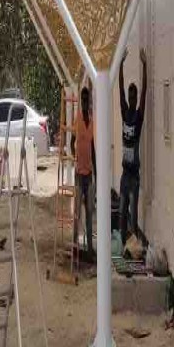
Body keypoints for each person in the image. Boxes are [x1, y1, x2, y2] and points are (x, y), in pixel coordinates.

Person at [118, 47, 147, 245]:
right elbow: (119, 90)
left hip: (134, 175)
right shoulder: (125, 113)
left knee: (133, 216)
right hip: (124, 174)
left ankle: (134, 247)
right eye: (131, 96)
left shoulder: (138, 117)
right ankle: (123, 244)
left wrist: (145, 66)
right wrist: (120, 65)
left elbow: (145, 93)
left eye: (134, 97)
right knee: (122, 211)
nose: (132, 99)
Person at [71, 86, 95, 258]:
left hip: (89, 174)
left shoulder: (92, 121)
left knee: (89, 212)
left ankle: (90, 248)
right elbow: (72, 142)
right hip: (79, 174)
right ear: (81, 102)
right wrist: (76, 158)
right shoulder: (77, 120)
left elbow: (93, 147)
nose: (86, 103)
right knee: (77, 212)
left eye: (87, 100)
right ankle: (74, 244)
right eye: (84, 100)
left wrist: (96, 171)